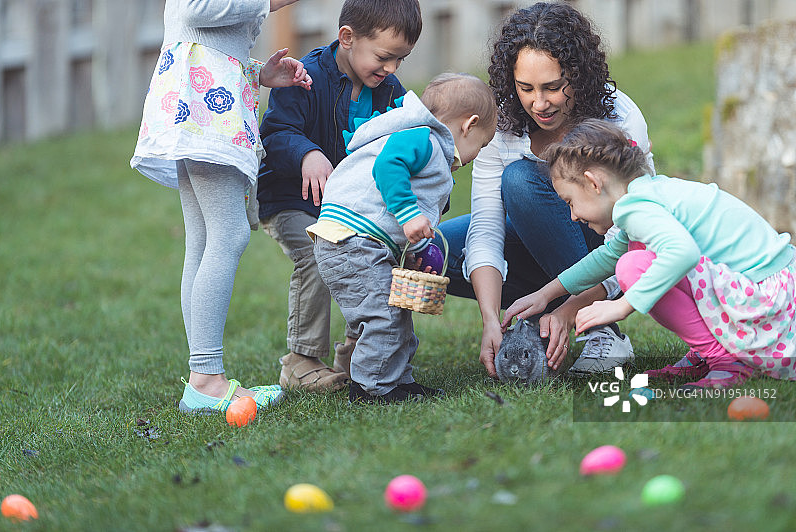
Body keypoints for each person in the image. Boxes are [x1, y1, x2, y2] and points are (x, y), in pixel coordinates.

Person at [436, 2, 654, 380]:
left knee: (520, 180)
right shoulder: (500, 125)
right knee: (430, 252)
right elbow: (486, 228)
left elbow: (636, 236)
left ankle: (598, 326)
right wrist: (489, 320)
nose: (540, 103)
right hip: (529, 239)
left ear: (579, 75)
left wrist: (571, 308)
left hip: (605, 247)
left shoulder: (618, 118)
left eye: (553, 87)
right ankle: (533, 318)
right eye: (526, 89)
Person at [504, 118, 796, 389]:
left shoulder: (635, 207)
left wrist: (621, 306)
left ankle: (722, 358)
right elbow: (605, 257)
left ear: (594, 183)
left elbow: (682, 253)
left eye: (570, 202)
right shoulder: (645, 196)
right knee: (628, 258)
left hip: (768, 303)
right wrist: (547, 293)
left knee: (633, 267)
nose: (572, 216)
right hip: (770, 290)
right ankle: (710, 351)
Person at [130, 0, 313, 413]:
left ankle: (203, 380)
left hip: (198, 97)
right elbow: (197, 8)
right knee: (227, 236)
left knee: (203, 239)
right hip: (203, 107)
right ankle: (206, 379)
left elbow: (199, 33)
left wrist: (256, 72)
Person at [256, 0, 422, 393]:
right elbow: (276, 135)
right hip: (293, 199)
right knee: (317, 254)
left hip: (348, 208)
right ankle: (300, 360)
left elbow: (398, 148)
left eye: (401, 59)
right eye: (384, 57)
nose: (392, 69)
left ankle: (359, 350)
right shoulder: (305, 76)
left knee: (368, 256)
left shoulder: (389, 91)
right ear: (347, 38)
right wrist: (306, 153)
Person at [308, 73, 497, 403]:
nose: (476, 155)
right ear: (469, 125)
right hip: (351, 243)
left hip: (362, 243)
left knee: (396, 314)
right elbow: (388, 166)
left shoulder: (429, 146)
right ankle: (373, 389)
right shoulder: (421, 138)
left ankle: (396, 379)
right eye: (481, 145)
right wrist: (409, 215)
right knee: (384, 316)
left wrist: (415, 250)